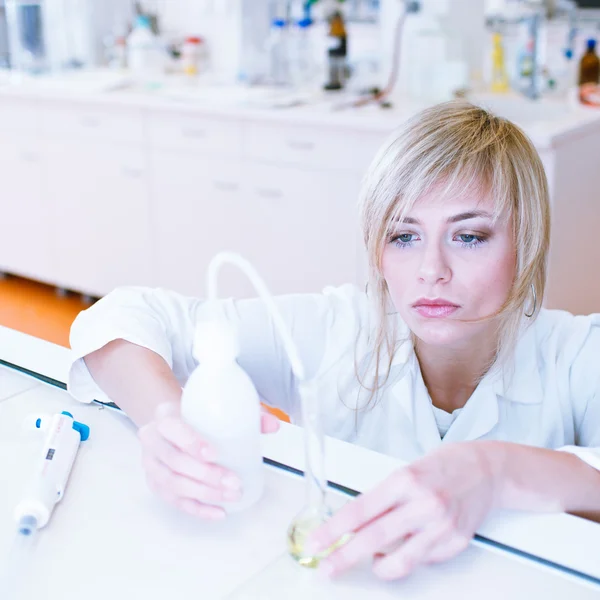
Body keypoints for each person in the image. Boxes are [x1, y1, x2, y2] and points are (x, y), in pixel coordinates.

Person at [68, 101, 600, 581]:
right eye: (404, 236)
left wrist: (493, 471)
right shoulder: (336, 327)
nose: (431, 270)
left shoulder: (574, 353)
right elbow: (123, 316)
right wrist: (166, 420)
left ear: (525, 241)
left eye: (469, 236)